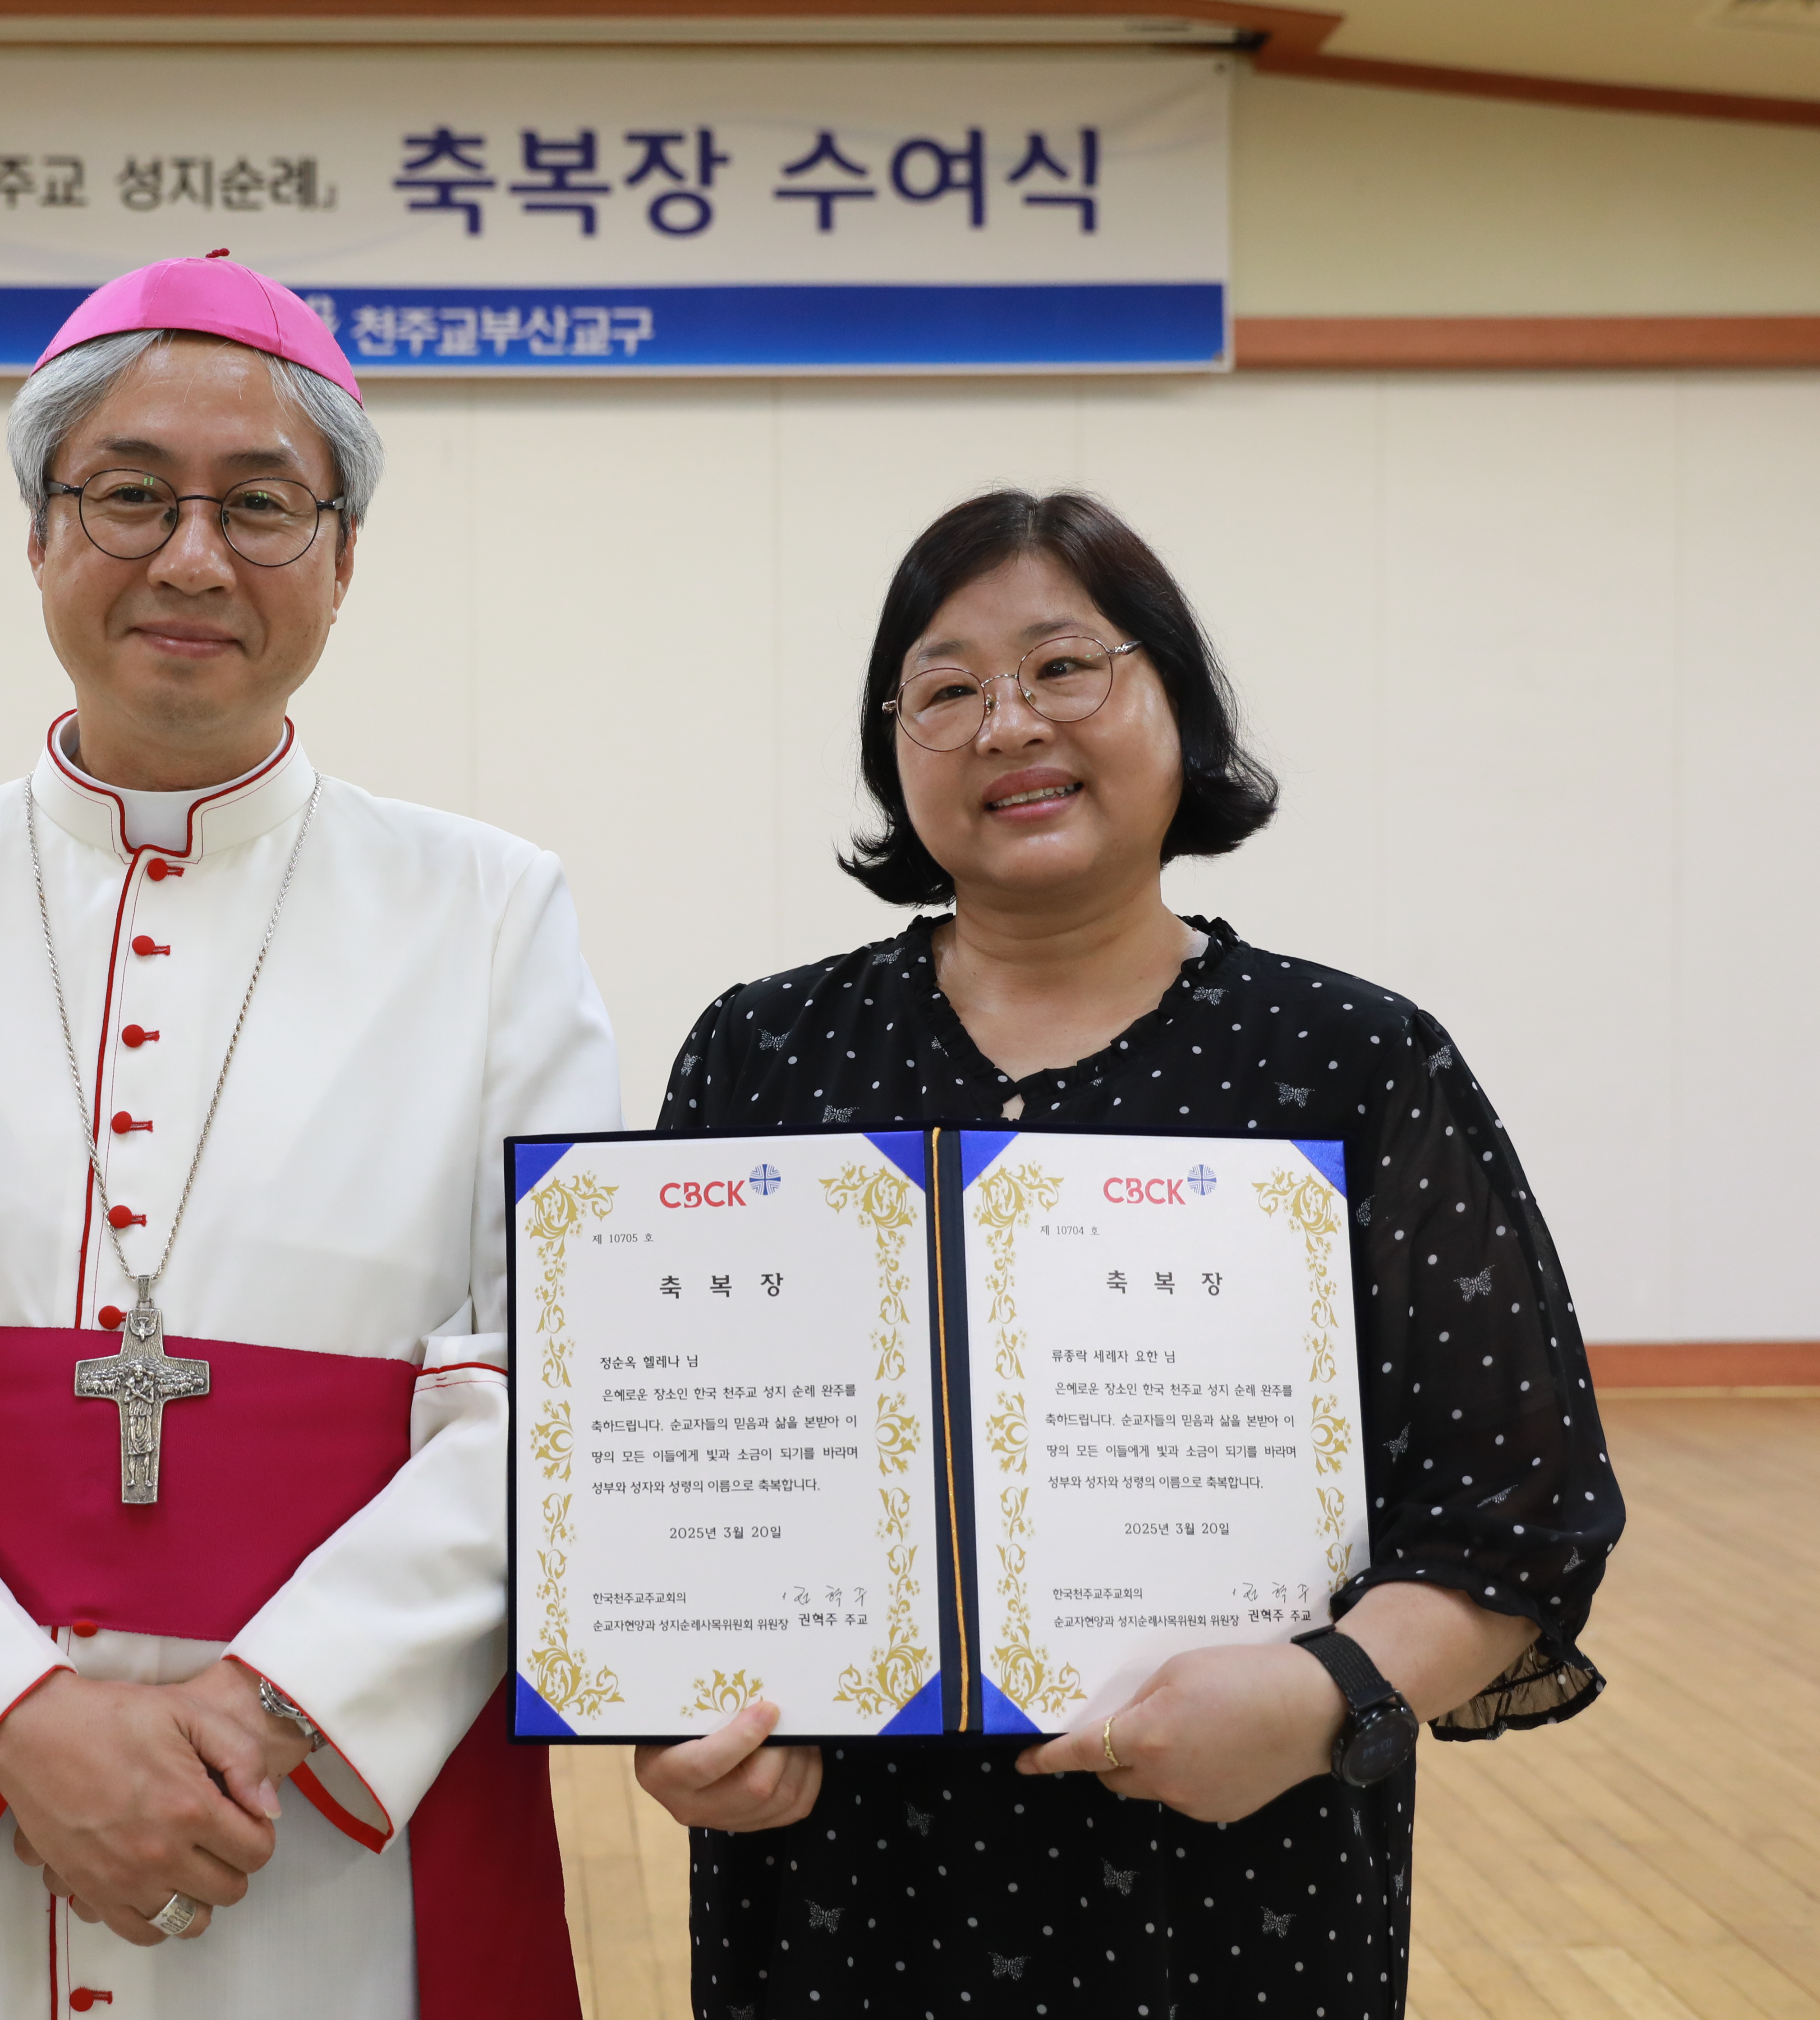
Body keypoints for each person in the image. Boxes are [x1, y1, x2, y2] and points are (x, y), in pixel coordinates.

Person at [0, 253, 616, 2020]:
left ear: (343, 557)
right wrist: (13, 1720)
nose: (193, 557)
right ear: (40, 532)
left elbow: (548, 1388)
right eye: (131, 495)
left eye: (264, 506)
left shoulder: (493, 913)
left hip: (342, 1804)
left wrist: (266, 1713)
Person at [632, 489, 1624, 2017]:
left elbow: (1519, 1512)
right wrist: (680, 1719)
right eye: (944, 691)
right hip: (837, 1893)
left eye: (1064, 668)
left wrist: (1324, 1696)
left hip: (1228, 1883)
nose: (1006, 724)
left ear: (1179, 701)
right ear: (892, 751)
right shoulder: (766, 1053)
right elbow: (681, 1485)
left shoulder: (1350, 1062)